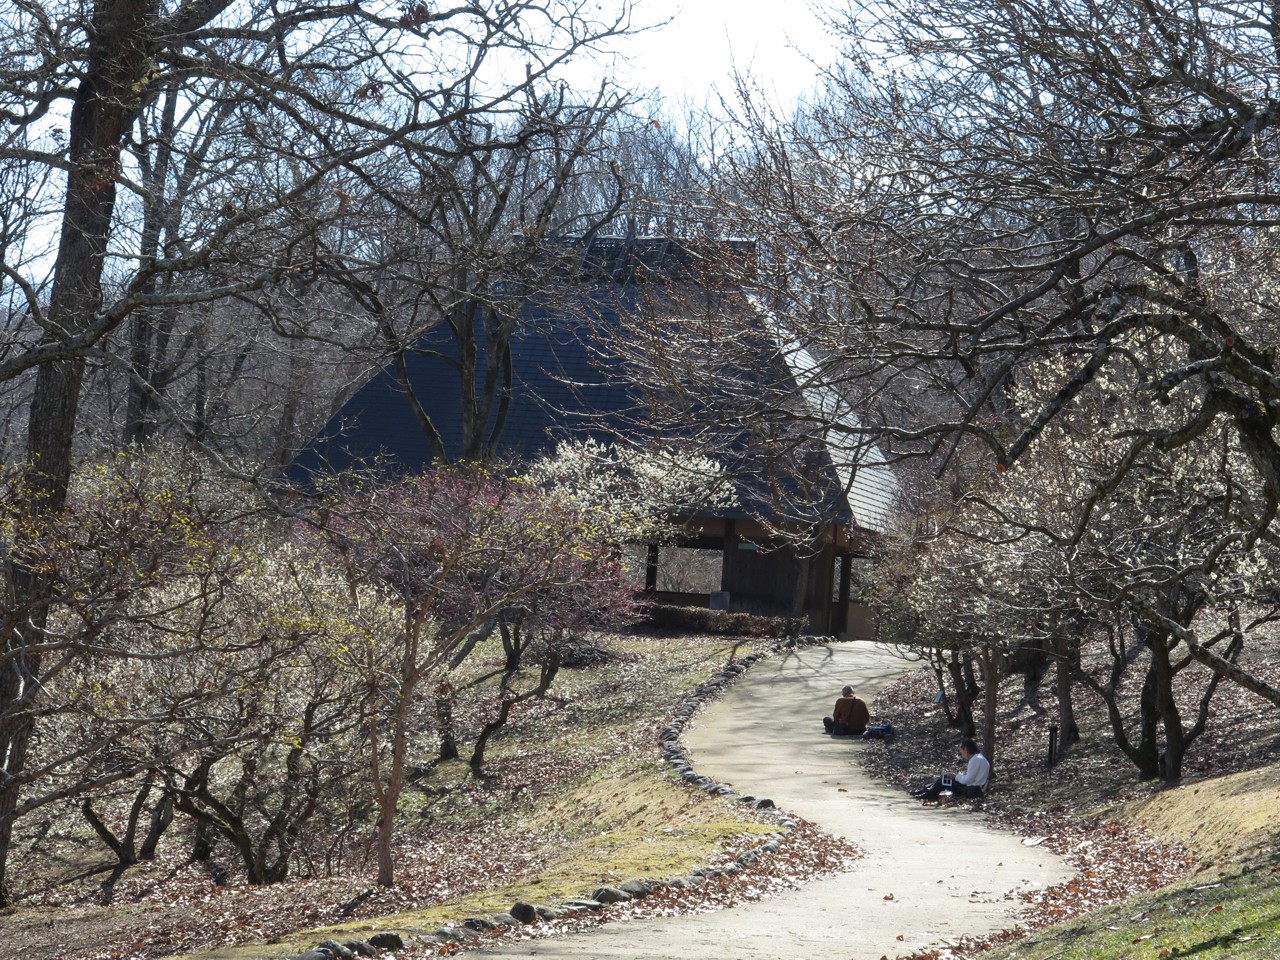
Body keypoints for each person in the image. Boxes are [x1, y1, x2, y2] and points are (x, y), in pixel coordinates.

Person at [912, 738, 990, 800]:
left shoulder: (975, 760)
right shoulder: (978, 758)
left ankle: (929, 794)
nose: (962, 754)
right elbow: (971, 777)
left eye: (961, 752)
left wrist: (956, 776)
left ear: (966, 750)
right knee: (945, 778)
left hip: (973, 791)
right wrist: (957, 775)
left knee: (944, 782)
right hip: (975, 788)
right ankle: (926, 791)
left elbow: (967, 780)